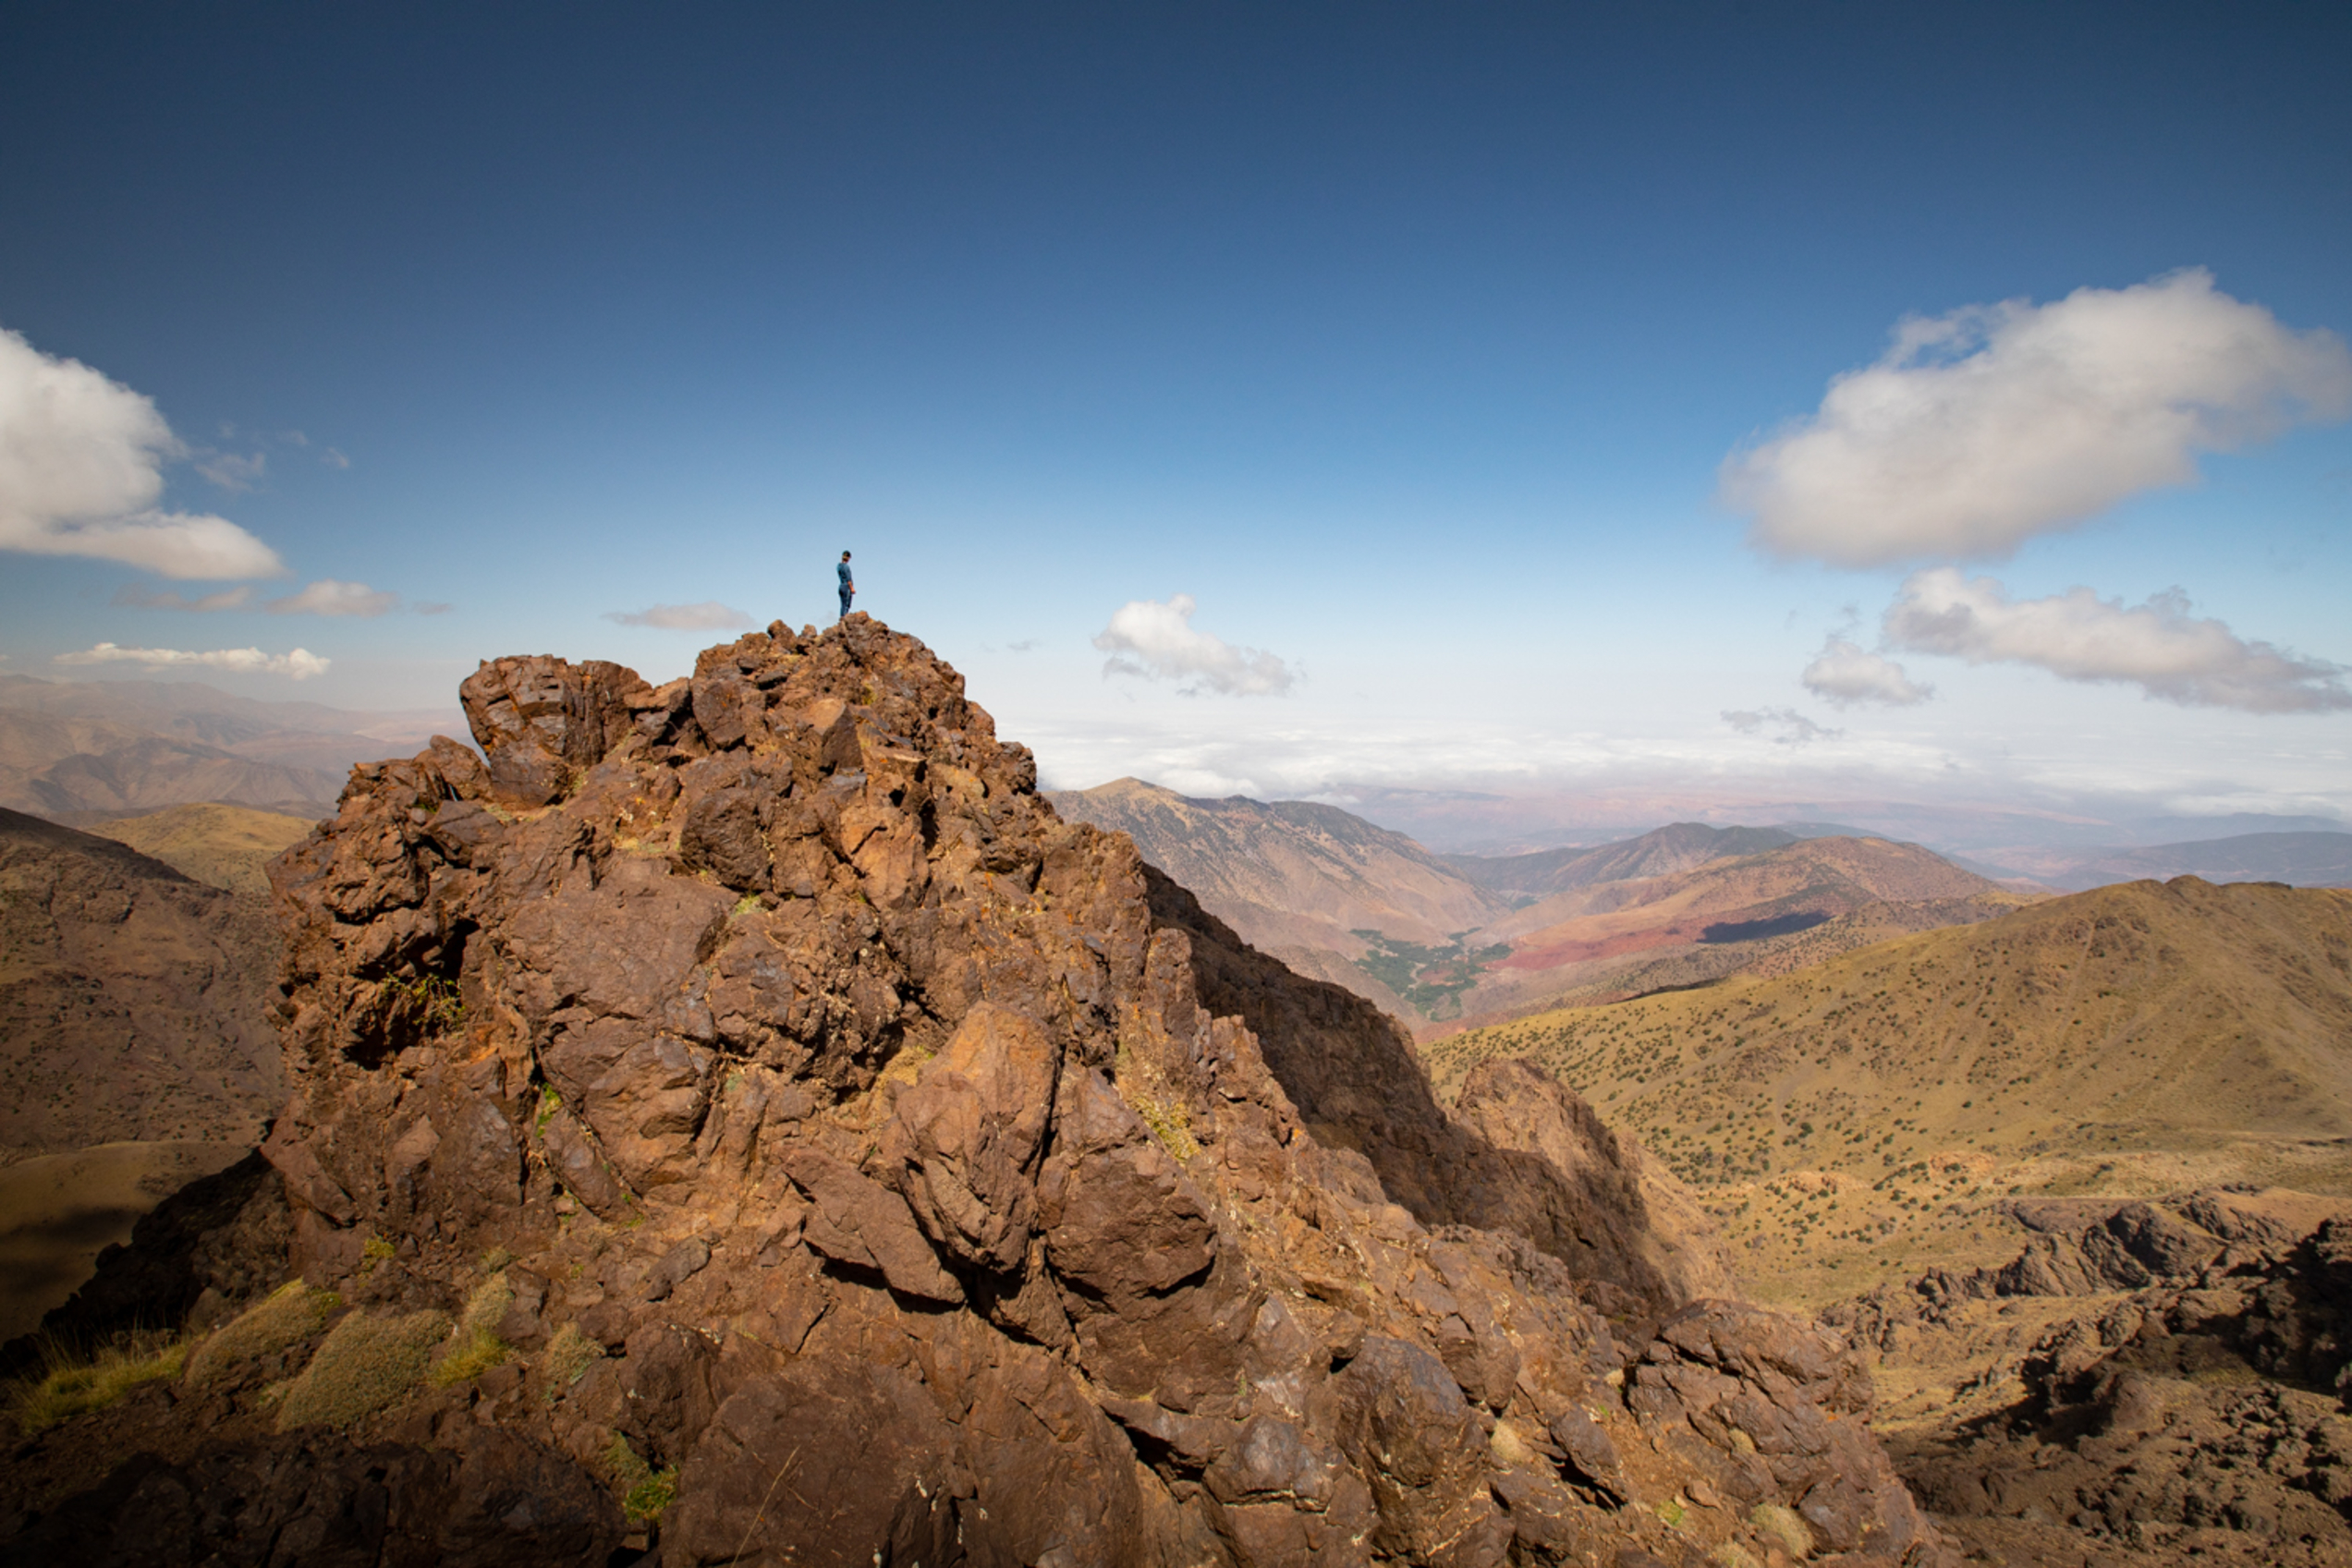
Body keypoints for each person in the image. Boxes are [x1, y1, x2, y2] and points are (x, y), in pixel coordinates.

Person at [836, 551, 855, 620]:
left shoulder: (839, 566)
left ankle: (842, 617)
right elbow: (848, 579)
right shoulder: (846, 567)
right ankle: (844, 618)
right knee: (847, 604)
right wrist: (852, 588)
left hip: (841, 586)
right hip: (846, 587)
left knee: (843, 604)